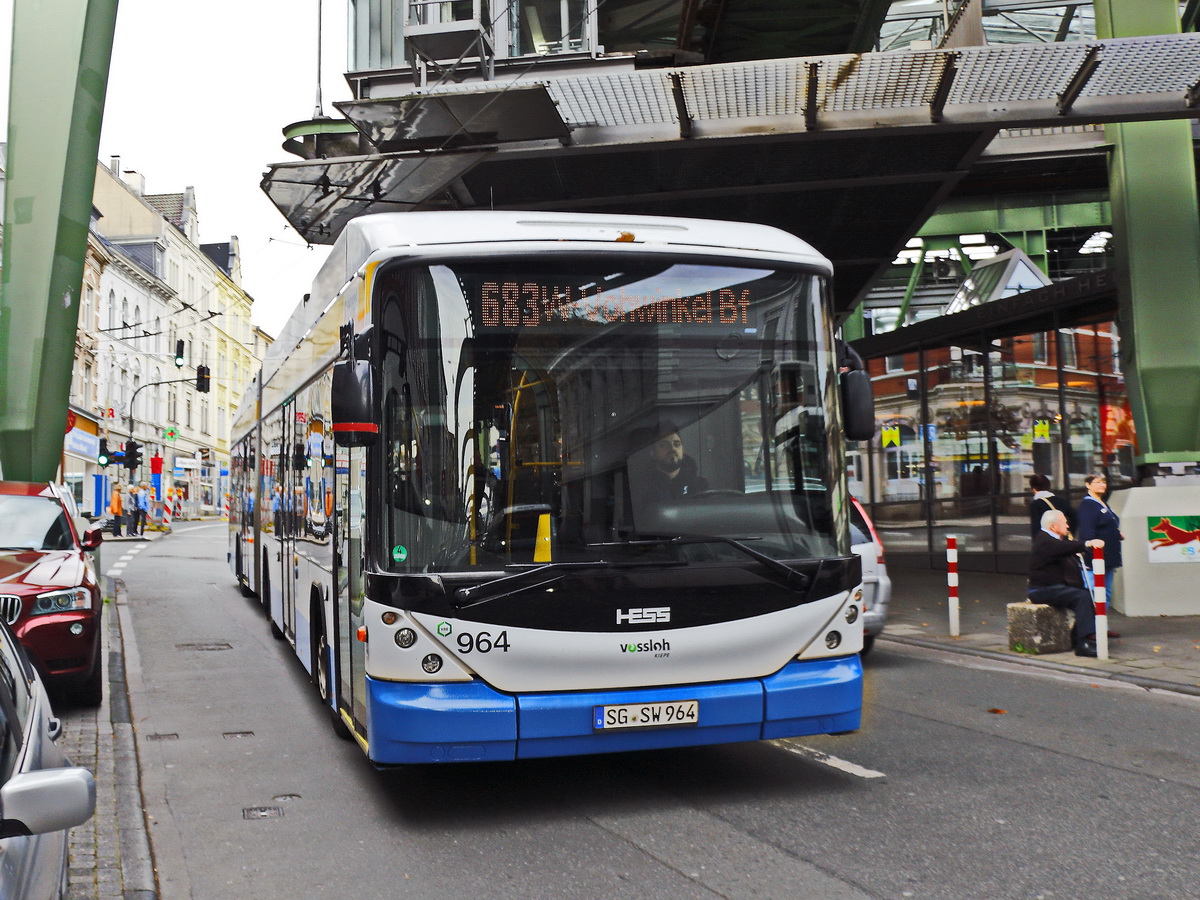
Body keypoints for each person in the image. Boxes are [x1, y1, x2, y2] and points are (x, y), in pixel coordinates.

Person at [1027, 509, 1104, 657]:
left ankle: (1077, 638)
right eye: (1065, 523)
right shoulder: (1044, 540)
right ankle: (1083, 643)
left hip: (1053, 588)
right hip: (1041, 590)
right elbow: (1063, 548)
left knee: (1091, 596)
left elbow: (1065, 548)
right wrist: (1087, 544)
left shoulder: (1051, 540)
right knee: (1082, 597)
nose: (1068, 526)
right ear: (1054, 527)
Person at [1076, 472, 1124, 606]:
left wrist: (1116, 533)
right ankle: (1092, 625)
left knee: (1105, 593)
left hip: (1108, 557)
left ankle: (1102, 626)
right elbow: (1087, 531)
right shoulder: (1088, 505)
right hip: (1096, 558)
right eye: (1097, 482)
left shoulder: (1101, 503)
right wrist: (1092, 554)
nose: (1102, 485)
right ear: (1088, 485)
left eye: (1103, 482)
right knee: (1094, 593)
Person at [646, 428, 708, 503]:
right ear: (652, 453)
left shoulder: (700, 487)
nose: (672, 448)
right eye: (664, 445)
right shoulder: (641, 488)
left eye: (677, 444)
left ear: (683, 451)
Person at [1028, 473, 1075, 538]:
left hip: (1047, 541)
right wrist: (1069, 532)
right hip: (1062, 540)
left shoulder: (1036, 504)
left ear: (1033, 488)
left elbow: (1036, 527)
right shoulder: (1061, 501)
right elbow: (1074, 517)